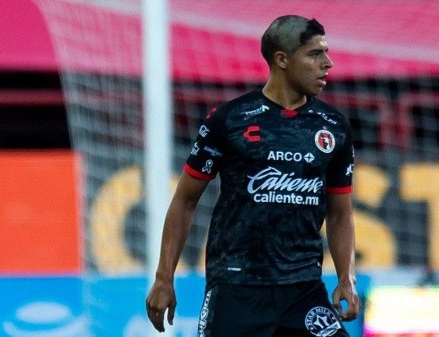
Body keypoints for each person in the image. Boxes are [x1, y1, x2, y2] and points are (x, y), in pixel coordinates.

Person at [146, 14, 360, 337]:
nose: (328, 63)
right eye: (315, 54)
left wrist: (346, 277)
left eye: (326, 52)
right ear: (282, 60)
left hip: (303, 290)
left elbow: (340, 213)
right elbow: (185, 201)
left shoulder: (333, 126)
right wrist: (164, 278)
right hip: (236, 287)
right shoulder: (228, 120)